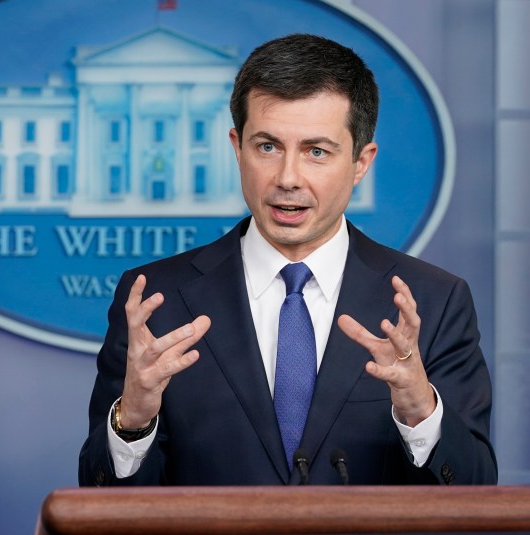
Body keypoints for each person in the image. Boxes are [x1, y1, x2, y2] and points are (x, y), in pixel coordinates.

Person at [78, 33, 497, 487]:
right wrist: (133, 420)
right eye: (267, 147)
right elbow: (100, 496)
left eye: (316, 151)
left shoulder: (434, 301)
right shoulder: (155, 301)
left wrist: (420, 409)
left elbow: (475, 492)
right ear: (237, 147)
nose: (287, 178)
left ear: (361, 161)